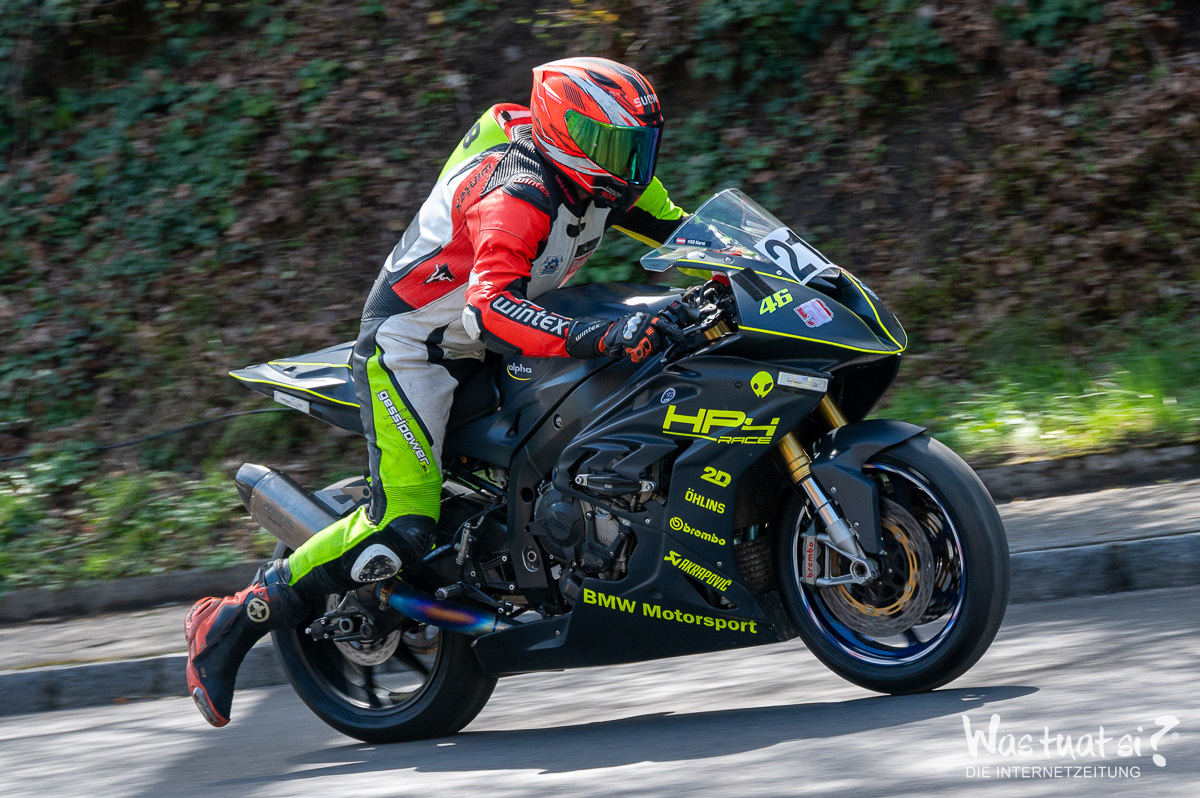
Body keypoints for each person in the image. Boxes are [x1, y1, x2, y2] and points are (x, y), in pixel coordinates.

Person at [185, 56, 691, 727]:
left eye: (638, 146)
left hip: (490, 341)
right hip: (417, 350)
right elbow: (492, 309)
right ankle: (233, 618)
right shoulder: (517, 192)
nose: (630, 163)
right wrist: (602, 335)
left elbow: (691, 235)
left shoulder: (609, 181)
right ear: (565, 133)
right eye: (612, 144)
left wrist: (785, 272)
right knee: (402, 526)